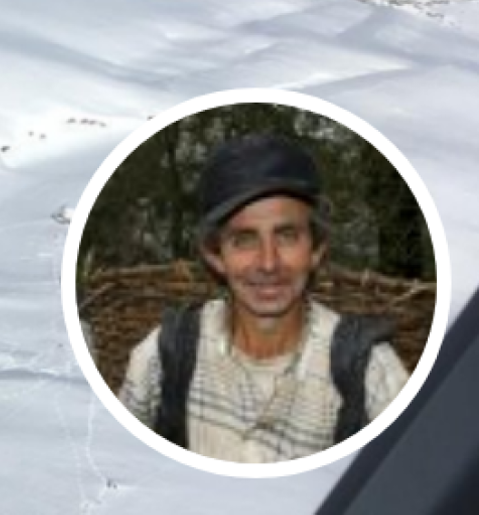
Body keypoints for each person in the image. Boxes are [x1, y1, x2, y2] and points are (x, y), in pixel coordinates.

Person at [117, 134, 410, 463]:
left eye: (287, 236)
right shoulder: (166, 355)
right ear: (215, 256)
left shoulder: (369, 372)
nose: (268, 263)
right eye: (244, 239)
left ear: (316, 248)